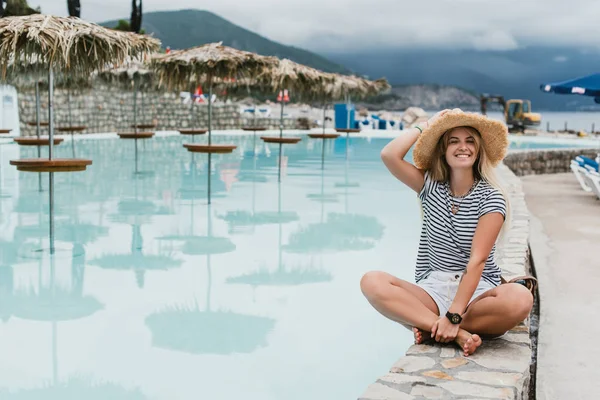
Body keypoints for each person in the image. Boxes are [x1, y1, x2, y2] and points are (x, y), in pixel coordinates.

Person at [360, 108, 536, 356]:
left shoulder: (491, 198)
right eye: (453, 141)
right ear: (443, 150)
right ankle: (454, 332)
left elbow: (477, 261)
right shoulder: (429, 186)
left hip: (477, 292)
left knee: (520, 299)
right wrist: (426, 125)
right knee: (372, 281)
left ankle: (432, 324)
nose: (462, 147)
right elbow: (389, 155)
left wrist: (454, 314)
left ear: (478, 151)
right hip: (434, 289)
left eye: (469, 141)